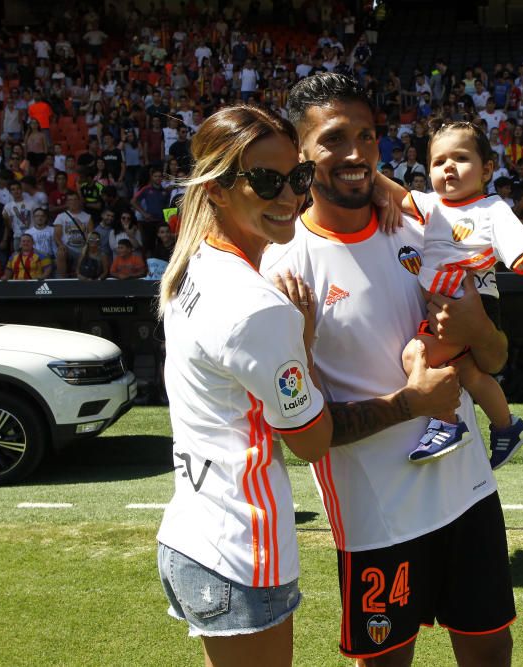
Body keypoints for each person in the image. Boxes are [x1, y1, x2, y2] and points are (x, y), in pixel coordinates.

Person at [264, 72, 515, 667]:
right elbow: (309, 433)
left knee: (491, 649)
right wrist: (412, 403)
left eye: (368, 137)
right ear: (300, 154)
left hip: (468, 490)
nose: (355, 153)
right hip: (376, 514)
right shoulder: (283, 269)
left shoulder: (419, 220)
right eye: (334, 139)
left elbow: (497, 357)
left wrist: (478, 330)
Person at [156, 105, 332, 667]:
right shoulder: (258, 309)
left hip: (193, 530)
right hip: (240, 548)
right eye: (265, 179)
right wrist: (303, 344)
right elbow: (311, 441)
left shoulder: (194, 263)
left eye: (298, 177)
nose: (290, 197)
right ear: (219, 188)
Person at [381, 120, 523, 465]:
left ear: (487, 169)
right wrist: (365, 166)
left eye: (460, 158)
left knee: (416, 355)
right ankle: (506, 425)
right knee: (469, 372)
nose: (448, 167)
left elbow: (521, 243)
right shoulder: (431, 204)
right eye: (439, 162)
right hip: (445, 302)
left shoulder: (491, 209)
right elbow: (393, 193)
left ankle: (447, 423)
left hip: (473, 303)